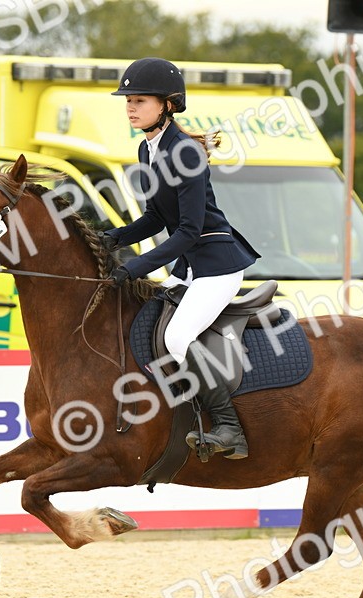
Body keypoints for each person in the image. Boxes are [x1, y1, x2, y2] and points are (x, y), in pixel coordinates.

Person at [102, 57, 261, 460]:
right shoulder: (147, 148)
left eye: (139, 100)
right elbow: (156, 217)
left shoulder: (186, 152)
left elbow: (189, 230)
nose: (130, 108)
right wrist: (112, 239)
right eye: (128, 101)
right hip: (189, 267)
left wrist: (134, 267)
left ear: (167, 104)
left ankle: (229, 428)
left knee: (176, 338)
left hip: (218, 264)